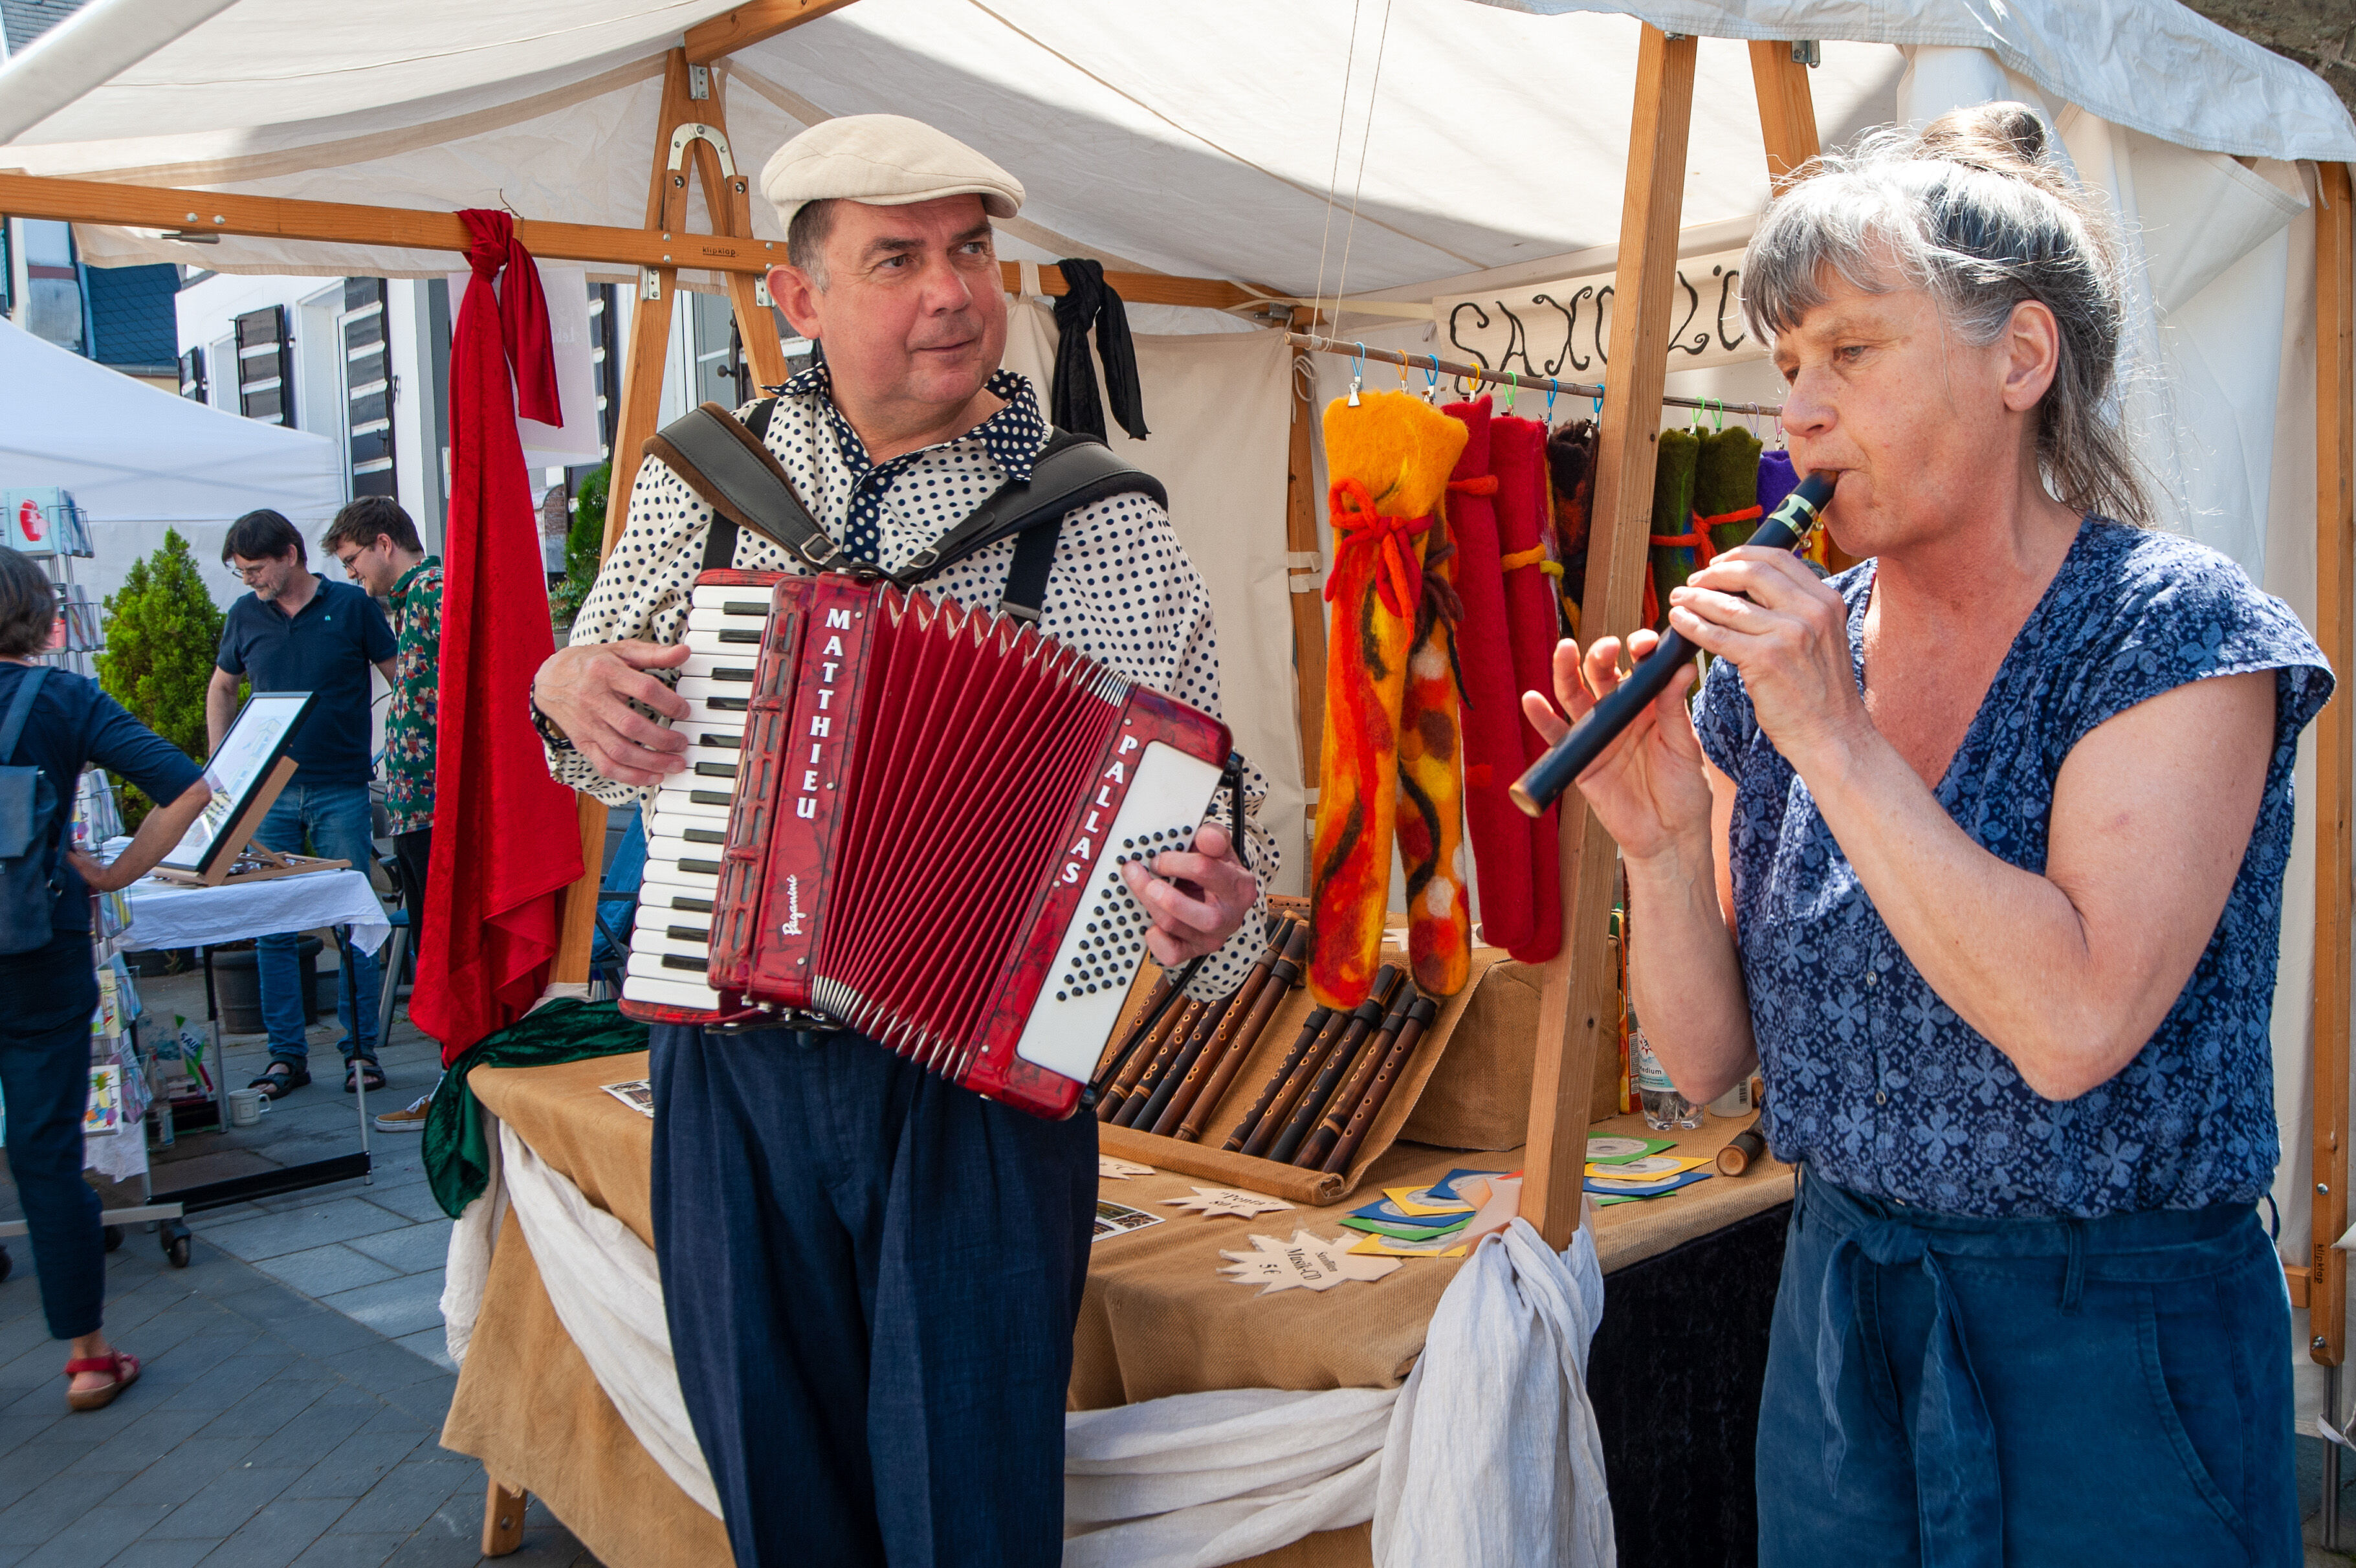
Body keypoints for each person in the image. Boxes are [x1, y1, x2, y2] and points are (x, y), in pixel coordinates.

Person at [1530, 105, 2328, 1565]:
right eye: (1785, 365)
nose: (1798, 415)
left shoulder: (2171, 634)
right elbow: (1702, 1063)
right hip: (1841, 1313)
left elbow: (2071, 1021)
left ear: (2018, 359)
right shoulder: (1800, 651)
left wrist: (1832, 738)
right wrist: (1650, 846)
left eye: (1850, 349)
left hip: (2112, 1341)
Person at [531, 115, 1271, 1567]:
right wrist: (563, 688)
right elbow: (593, 712)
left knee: (967, 1508)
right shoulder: (706, 483)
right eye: (899, 258)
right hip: (729, 1062)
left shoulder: (1102, 525)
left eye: (970, 249)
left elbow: (1214, 851)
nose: (954, 290)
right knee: (776, 1484)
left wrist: (1213, 906)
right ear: (799, 296)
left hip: (976, 1102)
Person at [0, 548, 212, 1410]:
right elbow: (188, 790)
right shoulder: (61, 698)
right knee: (46, 1149)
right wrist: (119, 871)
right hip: (35, 946)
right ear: (36, 611)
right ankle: (88, 1356)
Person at [208, 509, 396, 1098]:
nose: (249, 581)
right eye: (241, 573)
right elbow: (221, 684)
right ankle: (285, 1054)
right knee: (271, 922)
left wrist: (399, 748)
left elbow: (399, 676)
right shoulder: (244, 615)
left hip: (340, 785)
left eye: (255, 569)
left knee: (353, 917)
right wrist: (221, 769)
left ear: (290, 554)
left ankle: (360, 1049)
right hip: (267, 792)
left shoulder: (353, 607)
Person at [322, 496, 444, 1132]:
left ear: (383, 543)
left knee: (438, 946)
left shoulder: (431, 592)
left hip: (432, 805)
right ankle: (456, 1087)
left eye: (352, 560)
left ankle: (458, 1091)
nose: (353, 576)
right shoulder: (415, 597)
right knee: (429, 943)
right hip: (417, 803)